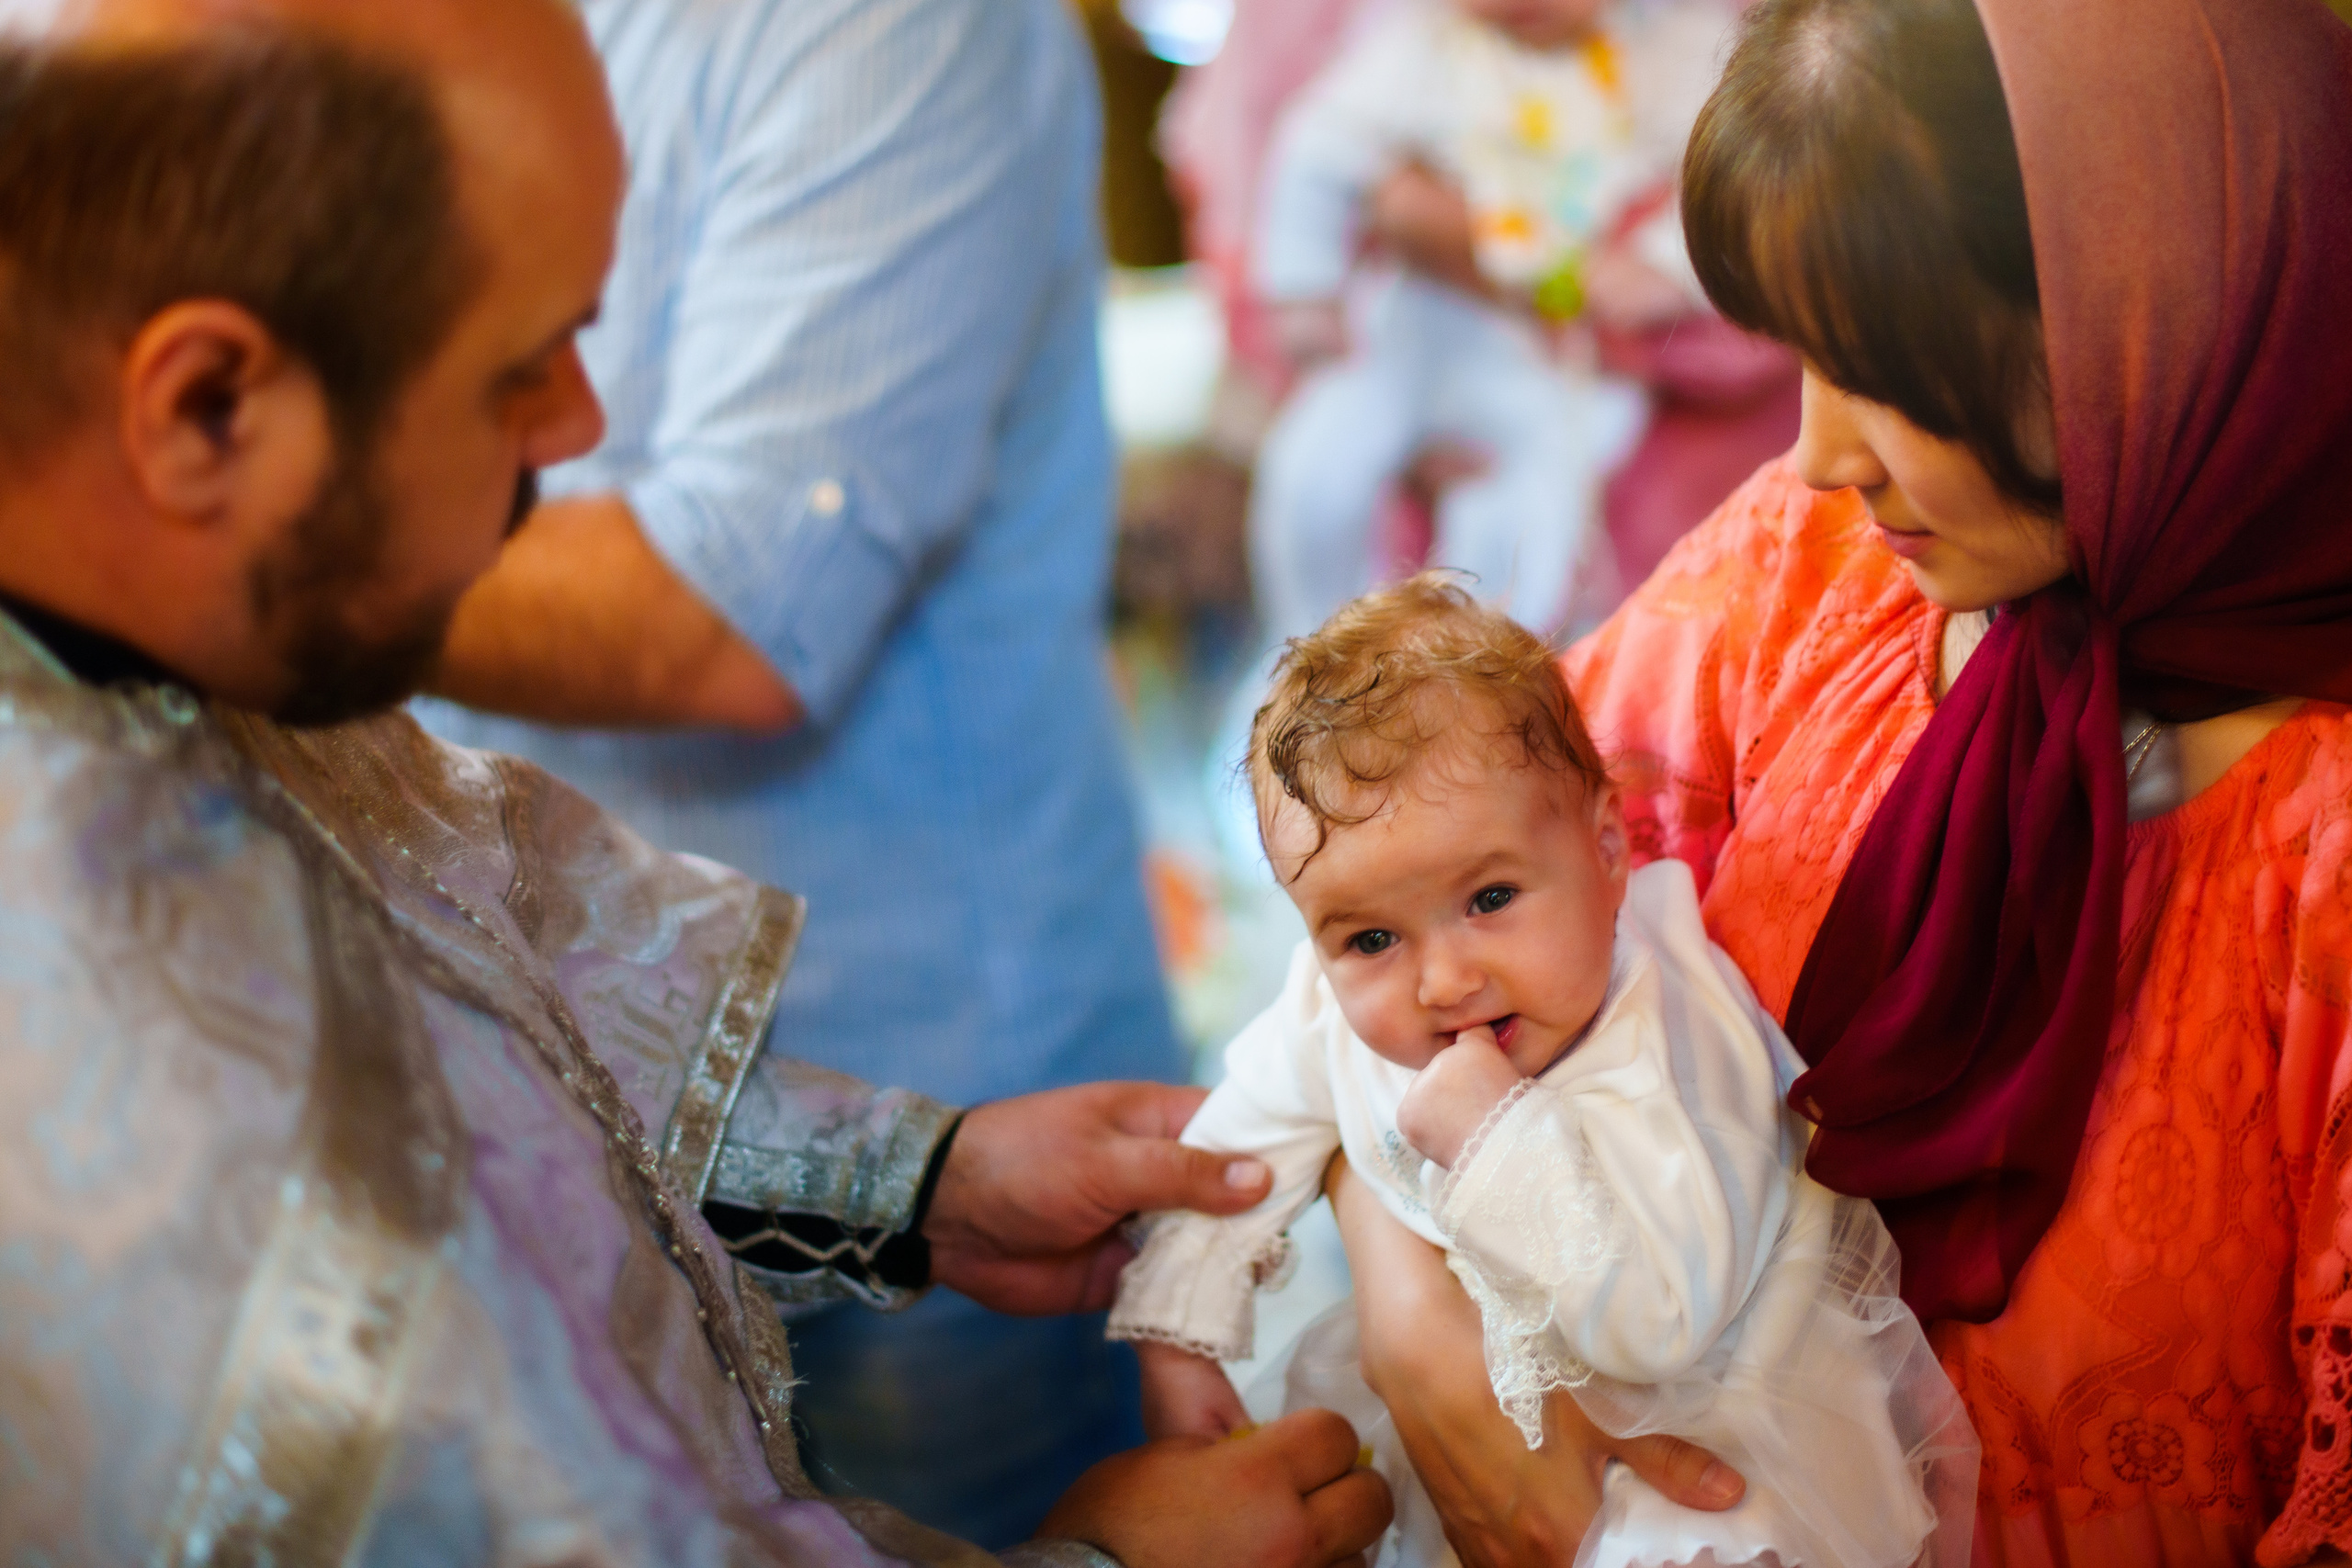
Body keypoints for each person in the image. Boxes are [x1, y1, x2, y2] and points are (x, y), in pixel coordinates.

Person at [0, 7, 1396, 1564]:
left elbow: (471, 1060)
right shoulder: (102, 1103)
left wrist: (904, 1180)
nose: (584, 433)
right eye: (519, 373)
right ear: (206, 408)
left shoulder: (167, 643)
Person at [1315, 0, 2352, 1563]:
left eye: (1892, 371)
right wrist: (1416, 1322)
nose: (1817, 453)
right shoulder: (1818, 577)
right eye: (1799, 354)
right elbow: (1399, 900)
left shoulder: (2318, 852)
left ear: (2166, 313)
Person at [410, 0, 1182, 1540]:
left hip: (906, 1046)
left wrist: (907, 1185)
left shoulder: (896, 29)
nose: (559, 437)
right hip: (567, 1112)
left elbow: (729, 612)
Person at [1106, 577, 1975, 1568]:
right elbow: (1234, 1154)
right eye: (1371, 938)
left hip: (1716, 1442)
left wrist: (1496, 1136)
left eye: (1490, 897)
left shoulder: (1665, 1035)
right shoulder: (1333, 1006)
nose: (1443, 978)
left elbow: (1659, 1324)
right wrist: (1177, 1335)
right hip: (1489, 1427)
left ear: (1606, 849)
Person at [1243, 0, 1731, 643]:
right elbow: (1319, 145)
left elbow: (1728, 179)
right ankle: (1312, 640)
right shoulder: (1421, 48)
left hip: (1553, 358)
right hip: (1413, 329)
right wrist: (1303, 287)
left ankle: (1492, 657)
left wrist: (1662, 267)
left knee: (1538, 500)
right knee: (1315, 470)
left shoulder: (1671, 55)